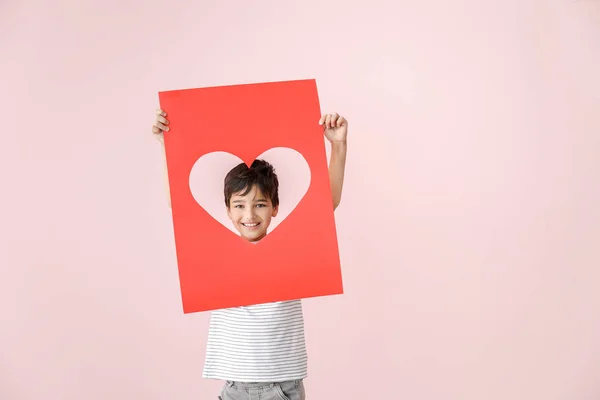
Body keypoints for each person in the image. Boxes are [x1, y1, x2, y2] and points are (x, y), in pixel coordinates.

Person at [151, 108, 348, 400]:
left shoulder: (291, 249)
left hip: (281, 387)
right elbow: (179, 205)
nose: (249, 214)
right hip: (234, 387)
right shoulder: (217, 252)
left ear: (275, 208)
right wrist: (169, 144)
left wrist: (338, 144)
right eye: (240, 205)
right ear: (228, 211)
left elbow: (326, 203)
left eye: (260, 204)